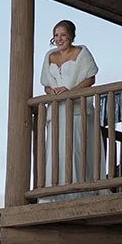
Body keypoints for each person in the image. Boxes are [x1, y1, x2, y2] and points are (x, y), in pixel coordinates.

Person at [39, 19, 100, 186]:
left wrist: (71, 92)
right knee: (56, 148)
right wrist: (50, 91)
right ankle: (54, 188)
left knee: (75, 147)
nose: (59, 39)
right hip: (56, 110)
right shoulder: (49, 56)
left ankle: (78, 186)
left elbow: (90, 78)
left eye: (63, 35)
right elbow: (46, 83)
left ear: (71, 36)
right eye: (56, 36)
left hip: (76, 109)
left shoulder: (82, 52)